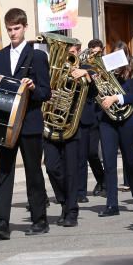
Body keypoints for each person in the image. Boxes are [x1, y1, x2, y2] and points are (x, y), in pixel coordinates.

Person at [0, 8, 52, 239]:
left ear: (25, 27)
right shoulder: (0, 57)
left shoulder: (38, 56)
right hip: (4, 123)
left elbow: (46, 92)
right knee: (6, 170)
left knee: (33, 171)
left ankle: (40, 219)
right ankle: (1, 221)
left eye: (17, 28)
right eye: (10, 29)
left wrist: (33, 88)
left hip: (30, 122)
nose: (13, 33)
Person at [42, 39, 91, 228]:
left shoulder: (84, 70)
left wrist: (86, 74)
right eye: (66, 52)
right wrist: (49, 93)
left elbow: (93, 93)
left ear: (77, 52)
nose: (69, 56)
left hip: (72, 127)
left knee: (71, 170)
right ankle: (64, 202)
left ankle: (72, 210)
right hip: (51, 125)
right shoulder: (51, 70)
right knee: (51, 167)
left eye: (72, 52)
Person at [98, 41, 133, 215]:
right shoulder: (105, 74)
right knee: (109, 163)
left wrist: (117, 98)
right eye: (114, 56)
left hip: (127, 121)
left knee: (131, 160)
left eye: (121, 55)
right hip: (107, 121)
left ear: (126, 56)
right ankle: (112, 204)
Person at [83, 39, 107, 199]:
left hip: (104, 112)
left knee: (105, 152)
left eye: (98, 53)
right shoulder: (84, 67)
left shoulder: (108, 66)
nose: (95, 55)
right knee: (91, 153)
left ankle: (107, 183)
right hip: (90, 113)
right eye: (92, 53)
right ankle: (101, 180)